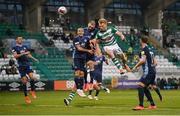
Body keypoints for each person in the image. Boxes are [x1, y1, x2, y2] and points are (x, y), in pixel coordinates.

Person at [64, 28, 93, 106]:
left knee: (82, 74)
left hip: (83, 58)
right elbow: (79, 48)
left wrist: (91, 45)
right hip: (76, 57)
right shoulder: (76, 38)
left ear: (83, 32)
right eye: (79, 31)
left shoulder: (86, 38)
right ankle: (80, 89)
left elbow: (90, 44)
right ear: (77, 32)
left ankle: (69, 99)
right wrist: (88, 50)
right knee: (77, 73)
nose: (80, 32)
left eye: (82, 31)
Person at [131, 36, 157, 110]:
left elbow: (143, 60)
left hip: (148, 71)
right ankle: (152, 105)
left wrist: (135, 66)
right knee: (144, 87)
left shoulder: (144, 49)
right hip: (152, 71)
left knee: (140, 86)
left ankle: (141, 105)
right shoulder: (148, 48)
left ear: (141, 40)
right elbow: (149, 61)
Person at [12, 36, 39, 104]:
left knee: (32, 77)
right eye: (19, 39)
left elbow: (28, 55)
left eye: (21, 39)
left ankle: (32, 91)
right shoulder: (14, 48)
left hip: (27, 65)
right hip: (21, 66)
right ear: (16, 40)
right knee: (24, 81)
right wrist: (23, 53)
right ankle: (26, 97)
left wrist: (34, 59)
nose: (21, 40)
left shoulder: (25, 46)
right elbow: (15, 56)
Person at [83, 20, 98, 92]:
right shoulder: (83, 30)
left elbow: (96, 40)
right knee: (85, 68)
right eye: (90, 25)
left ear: (94, 26)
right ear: (88, 24)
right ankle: (85, 83)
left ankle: (91, 82)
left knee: (92, 66)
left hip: (91, 51)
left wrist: (92, 44)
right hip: (84, 51)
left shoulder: (96, 31)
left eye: (92, 25)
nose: (91, 26)